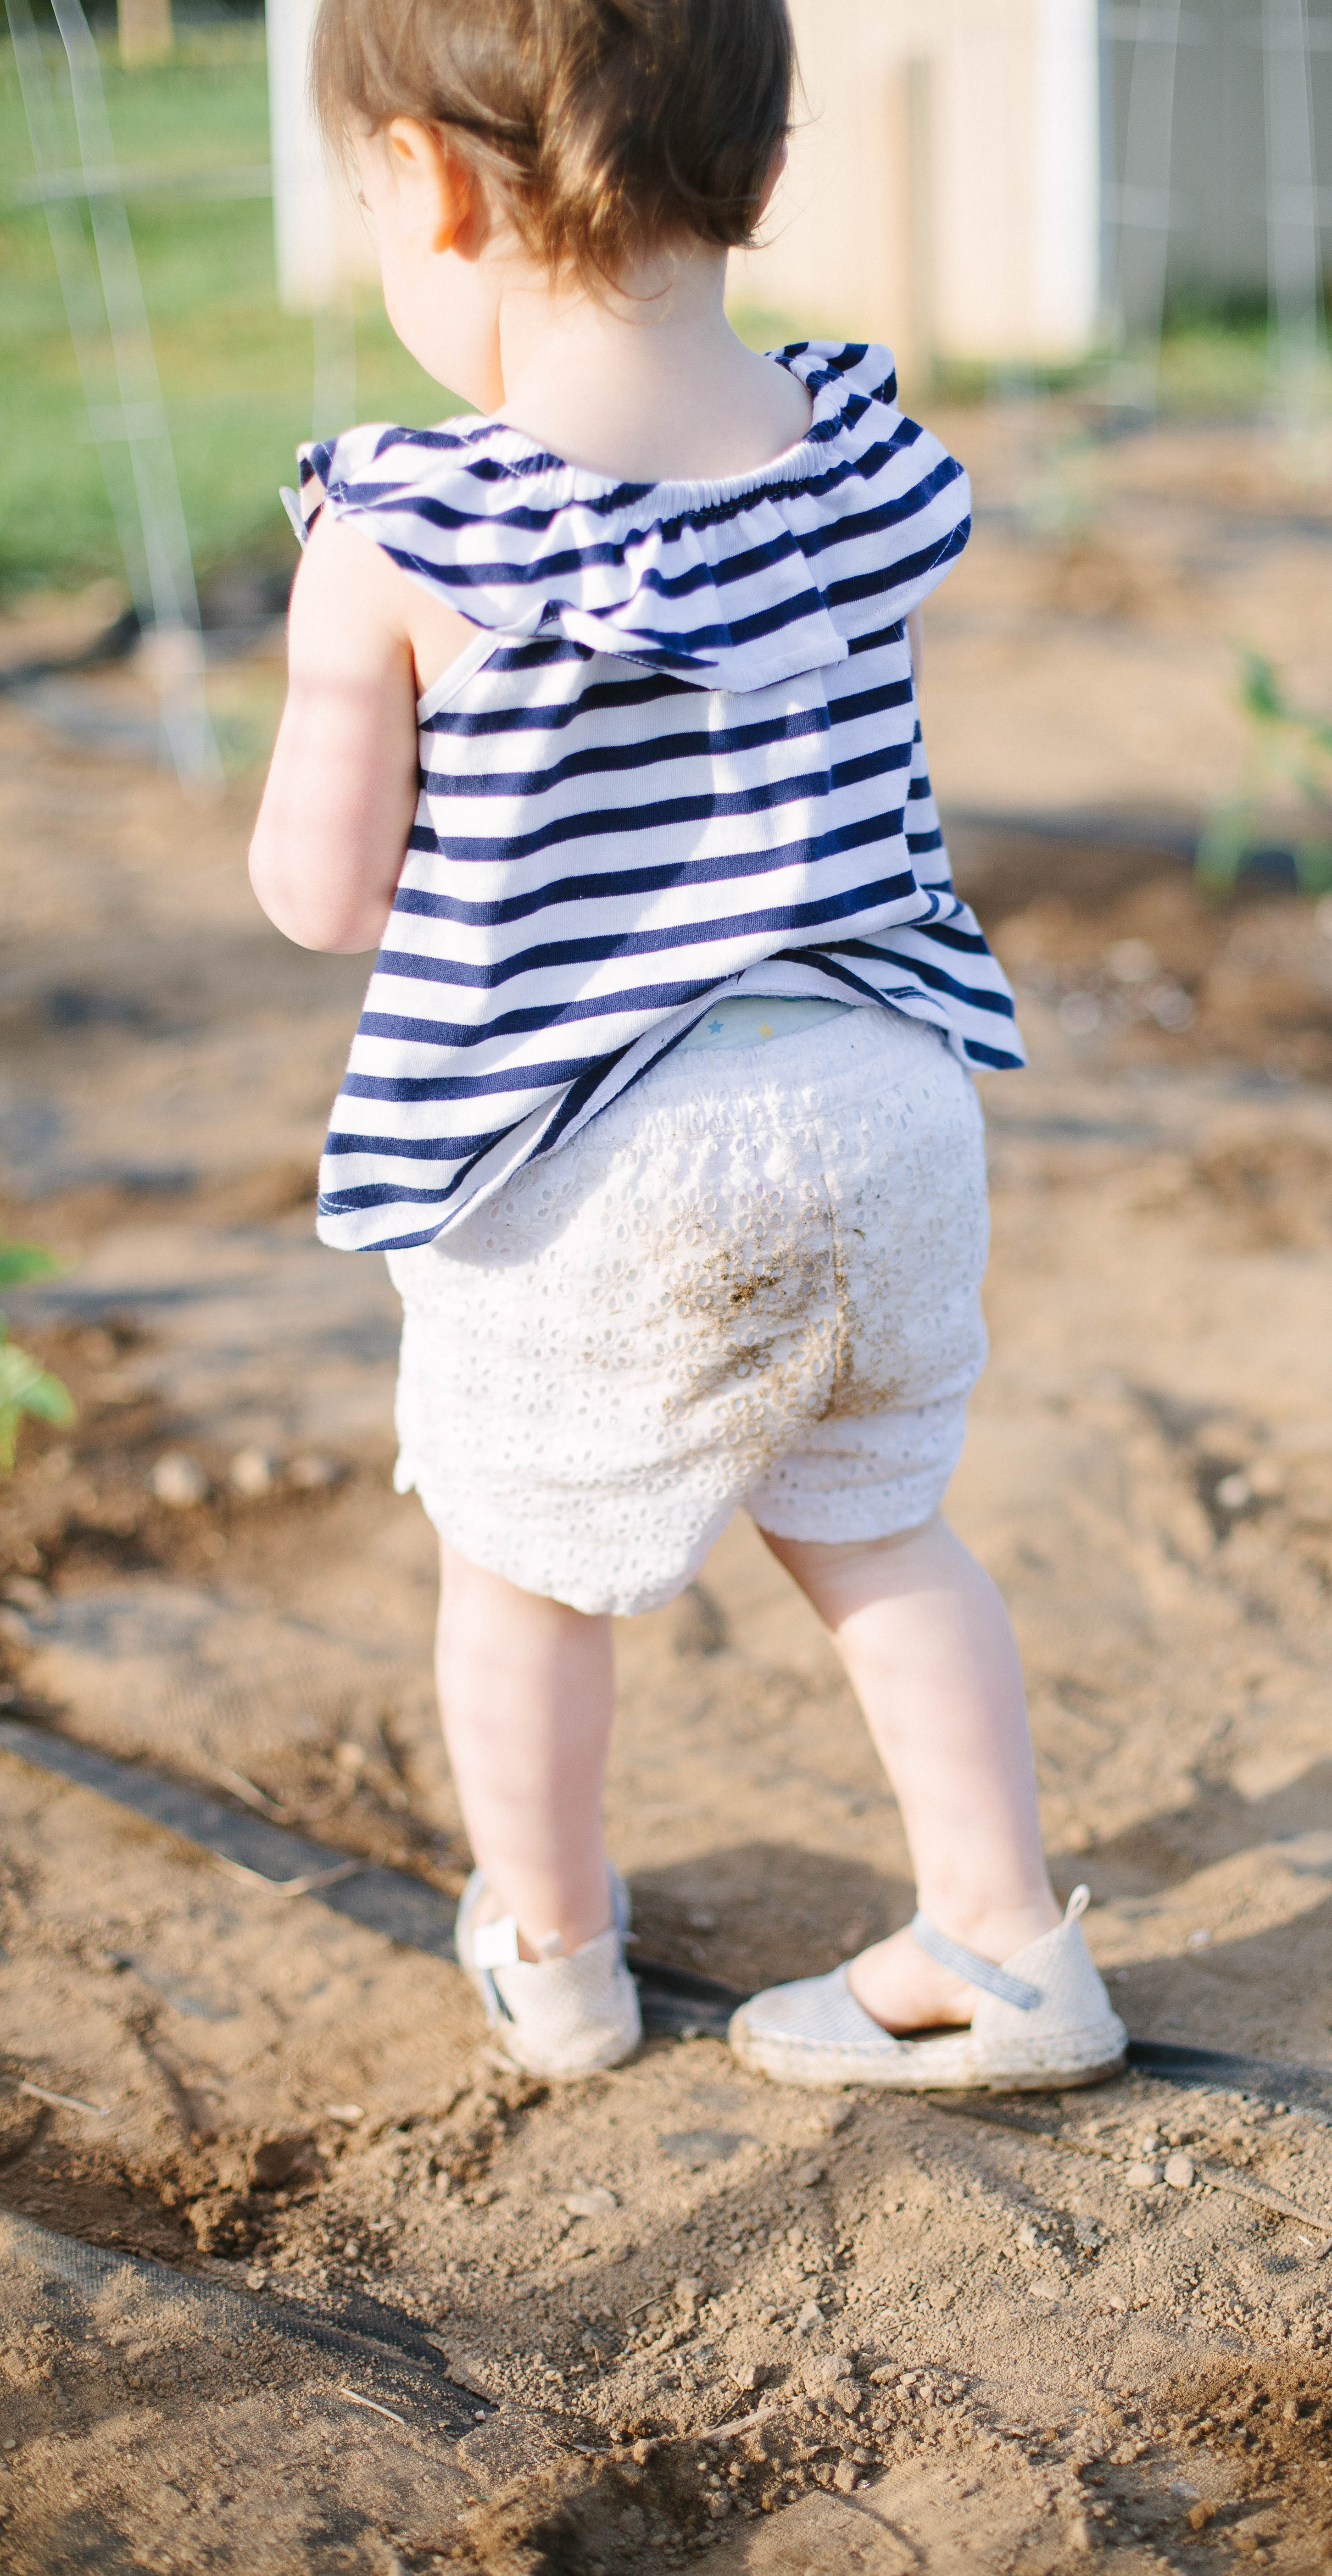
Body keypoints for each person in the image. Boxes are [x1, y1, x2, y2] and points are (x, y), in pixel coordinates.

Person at [248, 0, 1126, 2095]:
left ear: (434, 189)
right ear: (755, 167)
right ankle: (1005, 1950)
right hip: (888, 1093)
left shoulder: (405, 530)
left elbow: (322, 893)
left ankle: (554, 1957)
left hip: (600, 1160)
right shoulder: (862, 455)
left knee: (530, 1575)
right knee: (880, 1531)